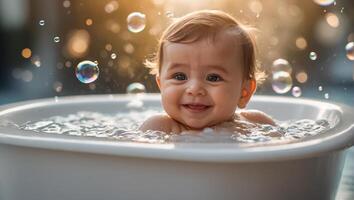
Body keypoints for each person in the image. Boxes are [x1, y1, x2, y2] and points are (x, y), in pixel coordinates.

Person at [139, 10, 275, 134]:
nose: (194, 89)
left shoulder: (256, 124)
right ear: (161, 85)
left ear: (244, 92)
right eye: (179, 76)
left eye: (213, 77)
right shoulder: (159, 127)